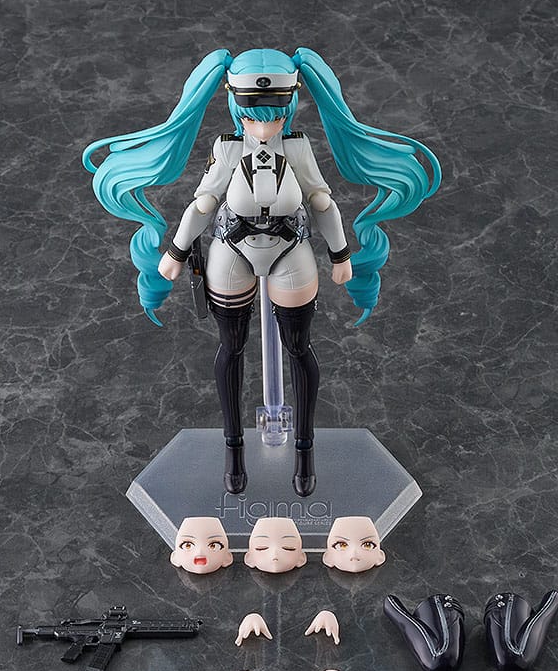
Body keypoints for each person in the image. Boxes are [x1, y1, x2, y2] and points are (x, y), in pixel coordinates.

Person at [82, 48, 441, 498]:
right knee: (231, 346)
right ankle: (233, 447)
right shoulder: (227, 148)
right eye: (253, 117)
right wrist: (175, 250)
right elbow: (203, 204)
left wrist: (340, 254)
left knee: (299, 346)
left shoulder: (297, 147)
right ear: (236, 107)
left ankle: (304, 449)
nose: (264, 128)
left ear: (289, 107)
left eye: (275, 117)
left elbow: (322, 202)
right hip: (232, 247)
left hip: (290, 246)